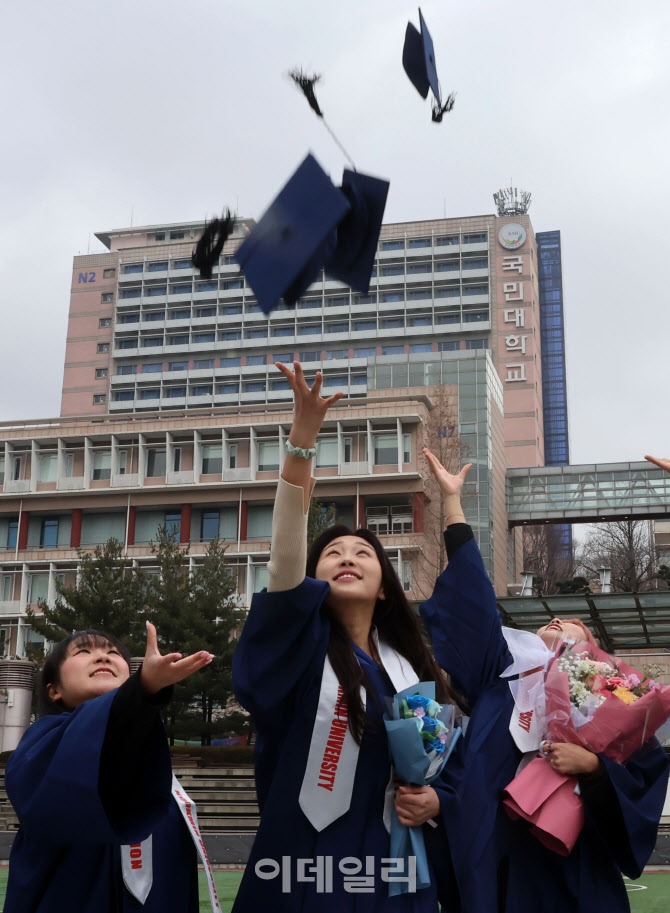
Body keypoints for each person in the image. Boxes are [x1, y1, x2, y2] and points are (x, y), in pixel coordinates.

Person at [232, 362, 459, 913]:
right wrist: (302, 439)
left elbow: (454, 762)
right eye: (332, 554)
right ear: (314, 581)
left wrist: (435, 801)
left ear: (385, 588)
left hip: (394, 858)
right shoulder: (301, 650)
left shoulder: (415, 671)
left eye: (363, 554)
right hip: (305, 856)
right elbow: (284, 560)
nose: (348, 558)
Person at [420, 448, 670, 913]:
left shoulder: (620, 696)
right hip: (500, 856)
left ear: (595, 650)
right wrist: (453, 507)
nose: (558, 621)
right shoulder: (502, 671)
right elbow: (473, 607)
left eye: (573, 623)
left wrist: (595, 769)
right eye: (551, 618)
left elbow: (643, 778)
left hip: (574, 865)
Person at [4, 623, 215, 913]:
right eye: (84, 651)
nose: (103, 657)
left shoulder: (151, 764)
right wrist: (143, 690)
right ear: (53, 690)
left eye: (113, 652)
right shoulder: (39, 746)